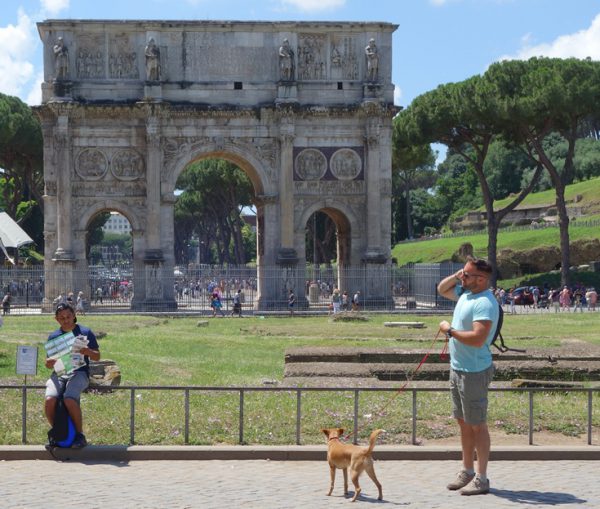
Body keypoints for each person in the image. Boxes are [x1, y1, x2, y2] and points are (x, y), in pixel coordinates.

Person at [437, 256, 499, 496]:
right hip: (458, 368)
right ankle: (467, 470)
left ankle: (482, 478)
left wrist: (450, 331)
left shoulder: (484, 302)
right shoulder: (466, 293)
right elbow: (442, 289)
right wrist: (459, 274)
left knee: (478, 425)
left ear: (481, 279)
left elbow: (477, 338)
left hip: (474, 371)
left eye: (467, 274)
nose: (462, 277)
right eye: (463, 273)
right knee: (463, 423)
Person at [44, 303, 100, 449]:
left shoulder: (85, 332)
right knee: (50, 400)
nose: (66, 320)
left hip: (79, 372)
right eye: (61, 318)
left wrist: (87, 351)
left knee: (69, 399)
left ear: (74, 315)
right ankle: (58, 432)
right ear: (56, 319)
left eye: (68, 316)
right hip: (59, 372)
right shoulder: (54, 336)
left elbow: (97, 356)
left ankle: (79, 436)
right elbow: (48, 363)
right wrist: (49, 363)